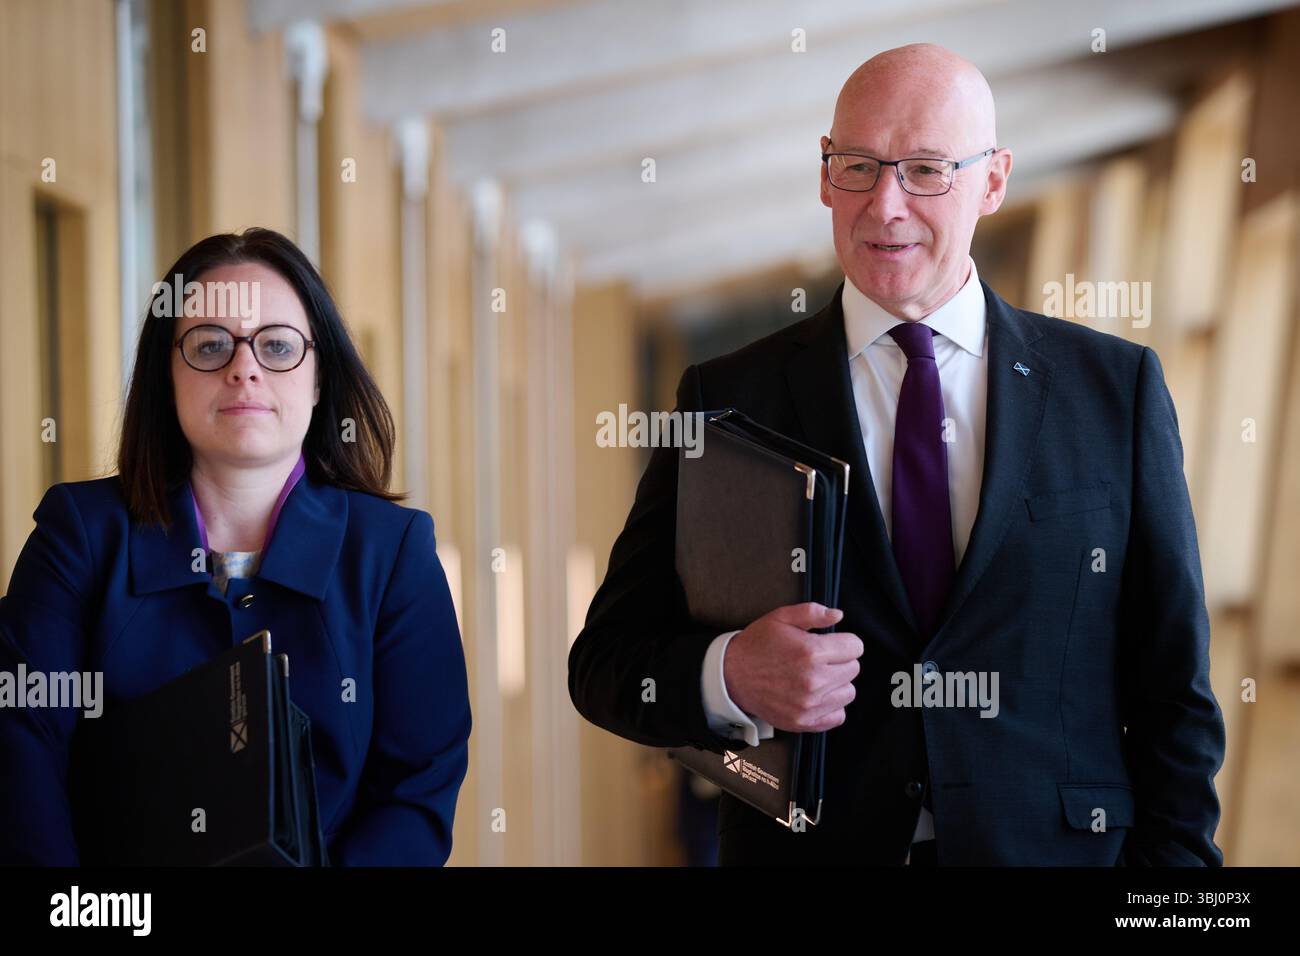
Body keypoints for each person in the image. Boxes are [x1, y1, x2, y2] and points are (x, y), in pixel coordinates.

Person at [568, 44, 1225, 866]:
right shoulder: (729, 397)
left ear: (993, 181)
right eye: (858, 165)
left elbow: (1175, 697)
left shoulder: (1113, 391)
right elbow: (604, 663)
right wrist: (730, 674)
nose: (884, 205)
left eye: (924, 169)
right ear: (823, 173)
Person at [0, 228, 471, 866]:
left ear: (317, 378)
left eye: (276, 346)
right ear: (167, 376)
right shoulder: (79, 535)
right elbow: (21, 741)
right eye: (210, 344)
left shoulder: (393, 557)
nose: (243, 366)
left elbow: (417, 791)